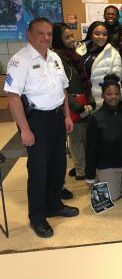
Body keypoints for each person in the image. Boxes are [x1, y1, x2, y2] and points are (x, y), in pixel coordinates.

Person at [4, 17, 79, 238]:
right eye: (40, 33)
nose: (46, 37)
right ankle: (37, 216)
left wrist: (66, 115)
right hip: (36, 121)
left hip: (57, 118)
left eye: (48, 33)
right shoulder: (20, 61)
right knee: (38, 171)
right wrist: (24, 129)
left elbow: (63, 89)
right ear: (29, 34)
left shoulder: (55, 57)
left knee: (58, 165)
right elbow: (13, 97)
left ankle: (54, 204)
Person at [52, 22, 94, 182]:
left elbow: (84, 81)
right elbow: (61, 87)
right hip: (72, 104)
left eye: (71, 35)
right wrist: (76, 107)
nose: (71, 39)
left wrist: (89, 101)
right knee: (76, 140)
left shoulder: (73, 56)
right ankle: (81, 171)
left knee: (84, 137)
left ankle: (83, 167)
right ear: (58, 39)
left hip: (83, 101)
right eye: (67, 37)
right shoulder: (56, 58)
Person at [85, 74, 122, 200]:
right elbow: (91, 149)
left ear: (120, 94)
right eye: (109, 94)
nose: (113, 97)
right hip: (107, 166)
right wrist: (90, 176)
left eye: (116, 93)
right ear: (102, 95)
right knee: (106, 199)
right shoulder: (95, 118)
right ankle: (99, 180)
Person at [78, 21, 122, 109]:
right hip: (81, 97)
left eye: (104, 34)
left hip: (101, 99)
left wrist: (114, 102)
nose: (101, 37)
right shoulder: (80, 49)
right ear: (91, 34)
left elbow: (117, 82)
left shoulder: (113, 53)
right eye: (97, 34)